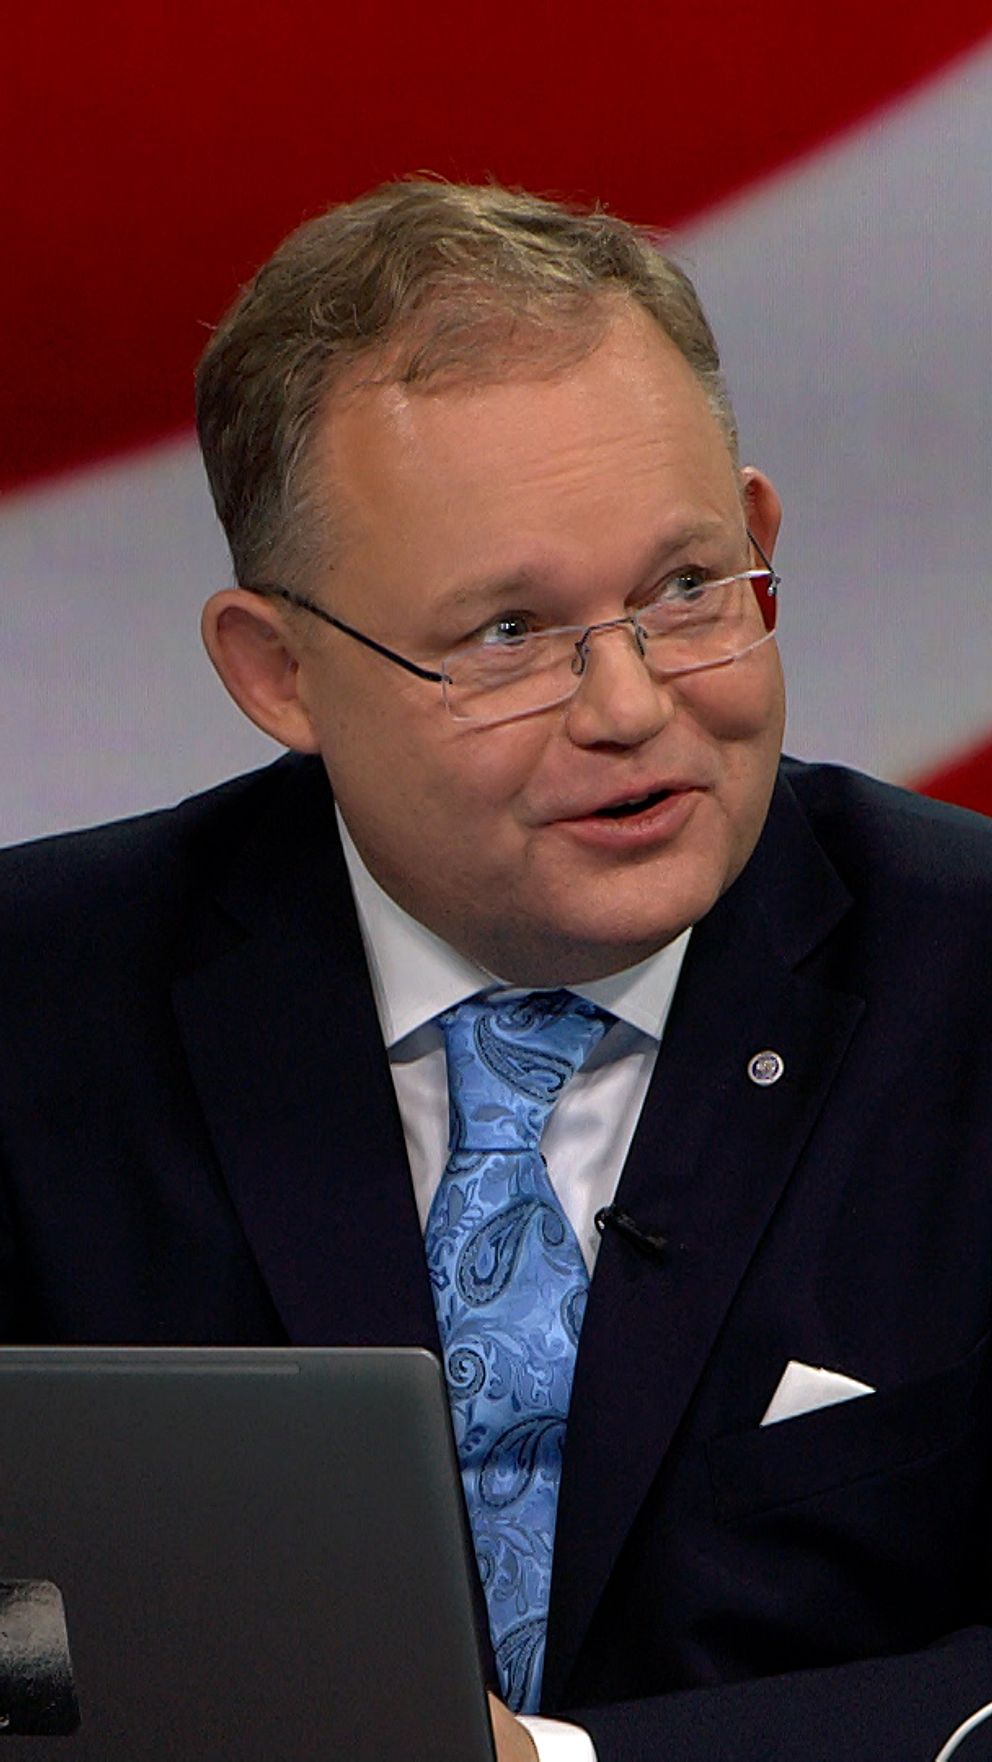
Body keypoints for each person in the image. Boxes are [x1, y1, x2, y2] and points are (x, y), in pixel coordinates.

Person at [2, 180, 992, 1762]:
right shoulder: (41, 1008)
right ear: (278, 670)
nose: (630, 705)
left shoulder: (968, 975)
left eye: (687, 588)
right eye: (510, 633)